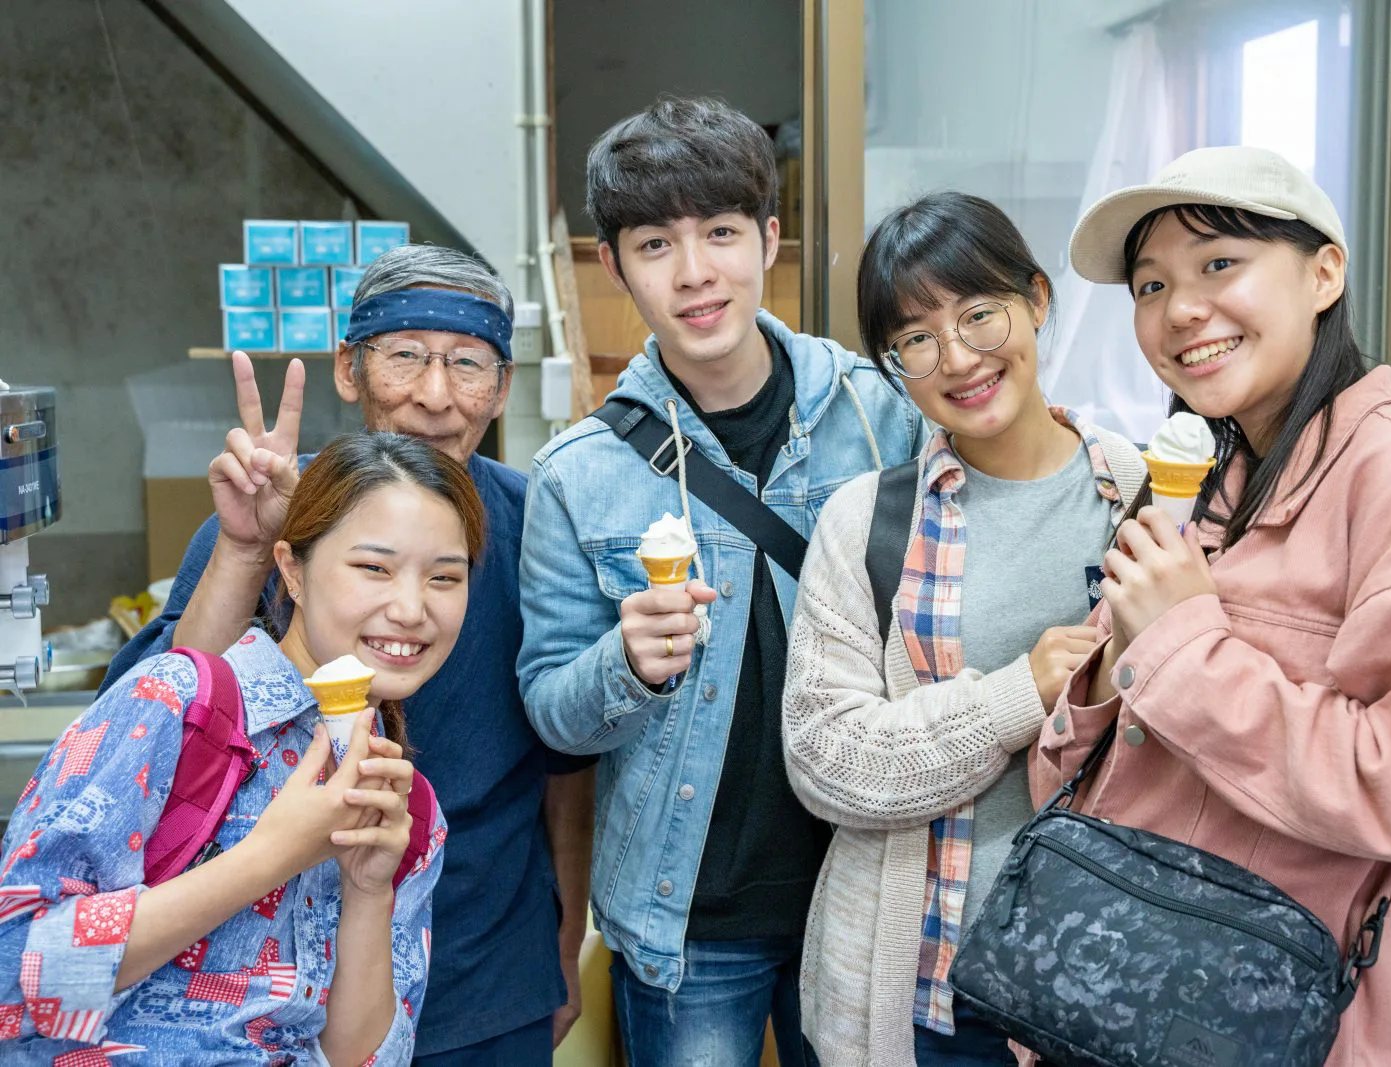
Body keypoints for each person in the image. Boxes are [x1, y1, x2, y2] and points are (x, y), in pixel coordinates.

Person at [1027, 145, 1391, 1063]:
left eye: (1219, 263)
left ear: (1324, 273)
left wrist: (1182, 650)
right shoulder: (1213, 478)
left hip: (1282, 1027)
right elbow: (1083, 761)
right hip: (1128, 1003)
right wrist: (1101, 678)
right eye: (1150, 285)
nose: (1180, 310)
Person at [101, 245, 596, 1065]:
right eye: (405, 355)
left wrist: (565, 939)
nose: (435, 394)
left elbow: (566, 761)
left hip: (484, 970)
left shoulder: (536, 525)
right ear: (348, 368)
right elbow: (170, 711)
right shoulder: (278, 512)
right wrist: (246, 550)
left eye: (467, 363)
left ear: (502, 387)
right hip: (262, 977)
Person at [518, 96, 924, 1067]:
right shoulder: (577, 472)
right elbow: (551, 713)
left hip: (869, 885)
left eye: (722, 233)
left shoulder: (881, 415)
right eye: (656, 244)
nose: (695, 271)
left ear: (770, 240)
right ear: (615, 265)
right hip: (688, 916)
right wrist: (625, 663)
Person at [779, 193, 1146, 1066]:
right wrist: (1020, 694)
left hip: (1105, 988)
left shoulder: (1140, 494)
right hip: (924, 1000)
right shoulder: (866, 522)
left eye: (980, 314)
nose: (958, 358)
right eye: (916, 338)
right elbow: (824, 758)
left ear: (1037, 300)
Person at [0, 431, 472, 1062]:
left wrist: (368, 891)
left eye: (444, 577)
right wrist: (269, 856)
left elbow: (361, 1057)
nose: (412, 609)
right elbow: (15, 970)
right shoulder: (173, 702)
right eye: (373, 568)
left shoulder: (409, 809)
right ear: (292, 571)